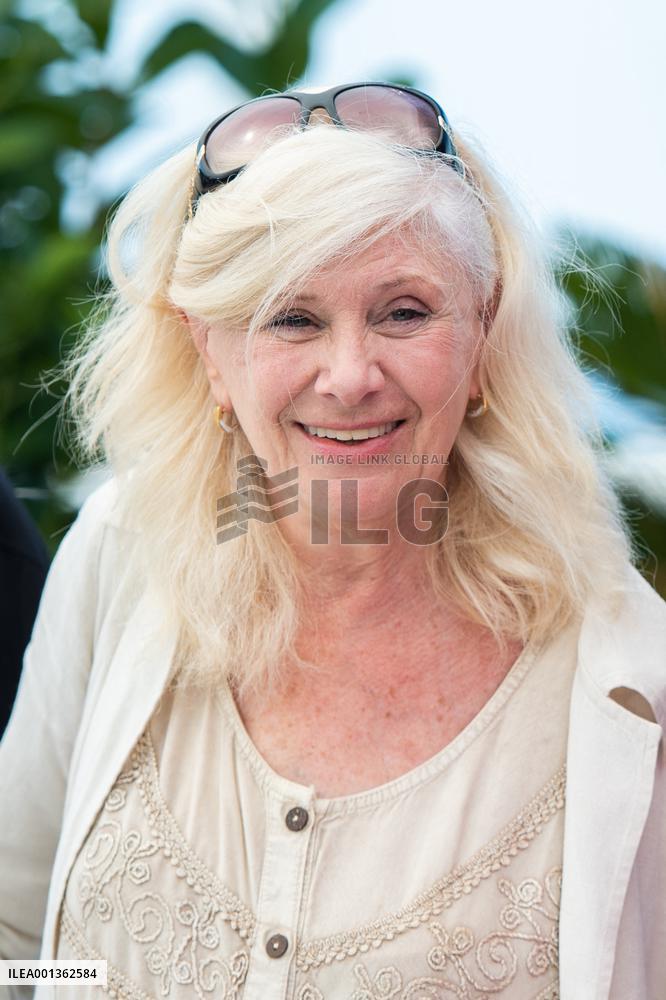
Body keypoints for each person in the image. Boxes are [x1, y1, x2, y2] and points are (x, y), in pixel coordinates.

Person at [0, 82, 664, 1000]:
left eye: (404, 313)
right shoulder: (124, 552)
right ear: (210, 357)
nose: (350, 377)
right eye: (292, 318)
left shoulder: (630, 679)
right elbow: (17, 936)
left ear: (482, 335)